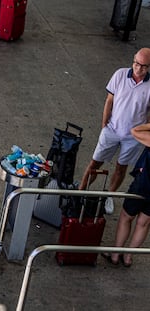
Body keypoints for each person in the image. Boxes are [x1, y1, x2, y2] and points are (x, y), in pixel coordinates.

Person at [79, 48, 150, 211]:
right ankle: (80, 191)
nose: (139, 69)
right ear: (133, 60)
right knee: (95, 162)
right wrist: (104, 124)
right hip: (112, 129)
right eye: (137, 64)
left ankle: (109, 196)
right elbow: (109, 101)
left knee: (121, 167)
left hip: (133, 136)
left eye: (144, 66)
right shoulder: (120, 75)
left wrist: (144, 132)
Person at [101, 123, 150, 267]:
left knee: (126, 217)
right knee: (144, 223)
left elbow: (135, 131)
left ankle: (116, 255)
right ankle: (128, 257)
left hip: (144, 183)